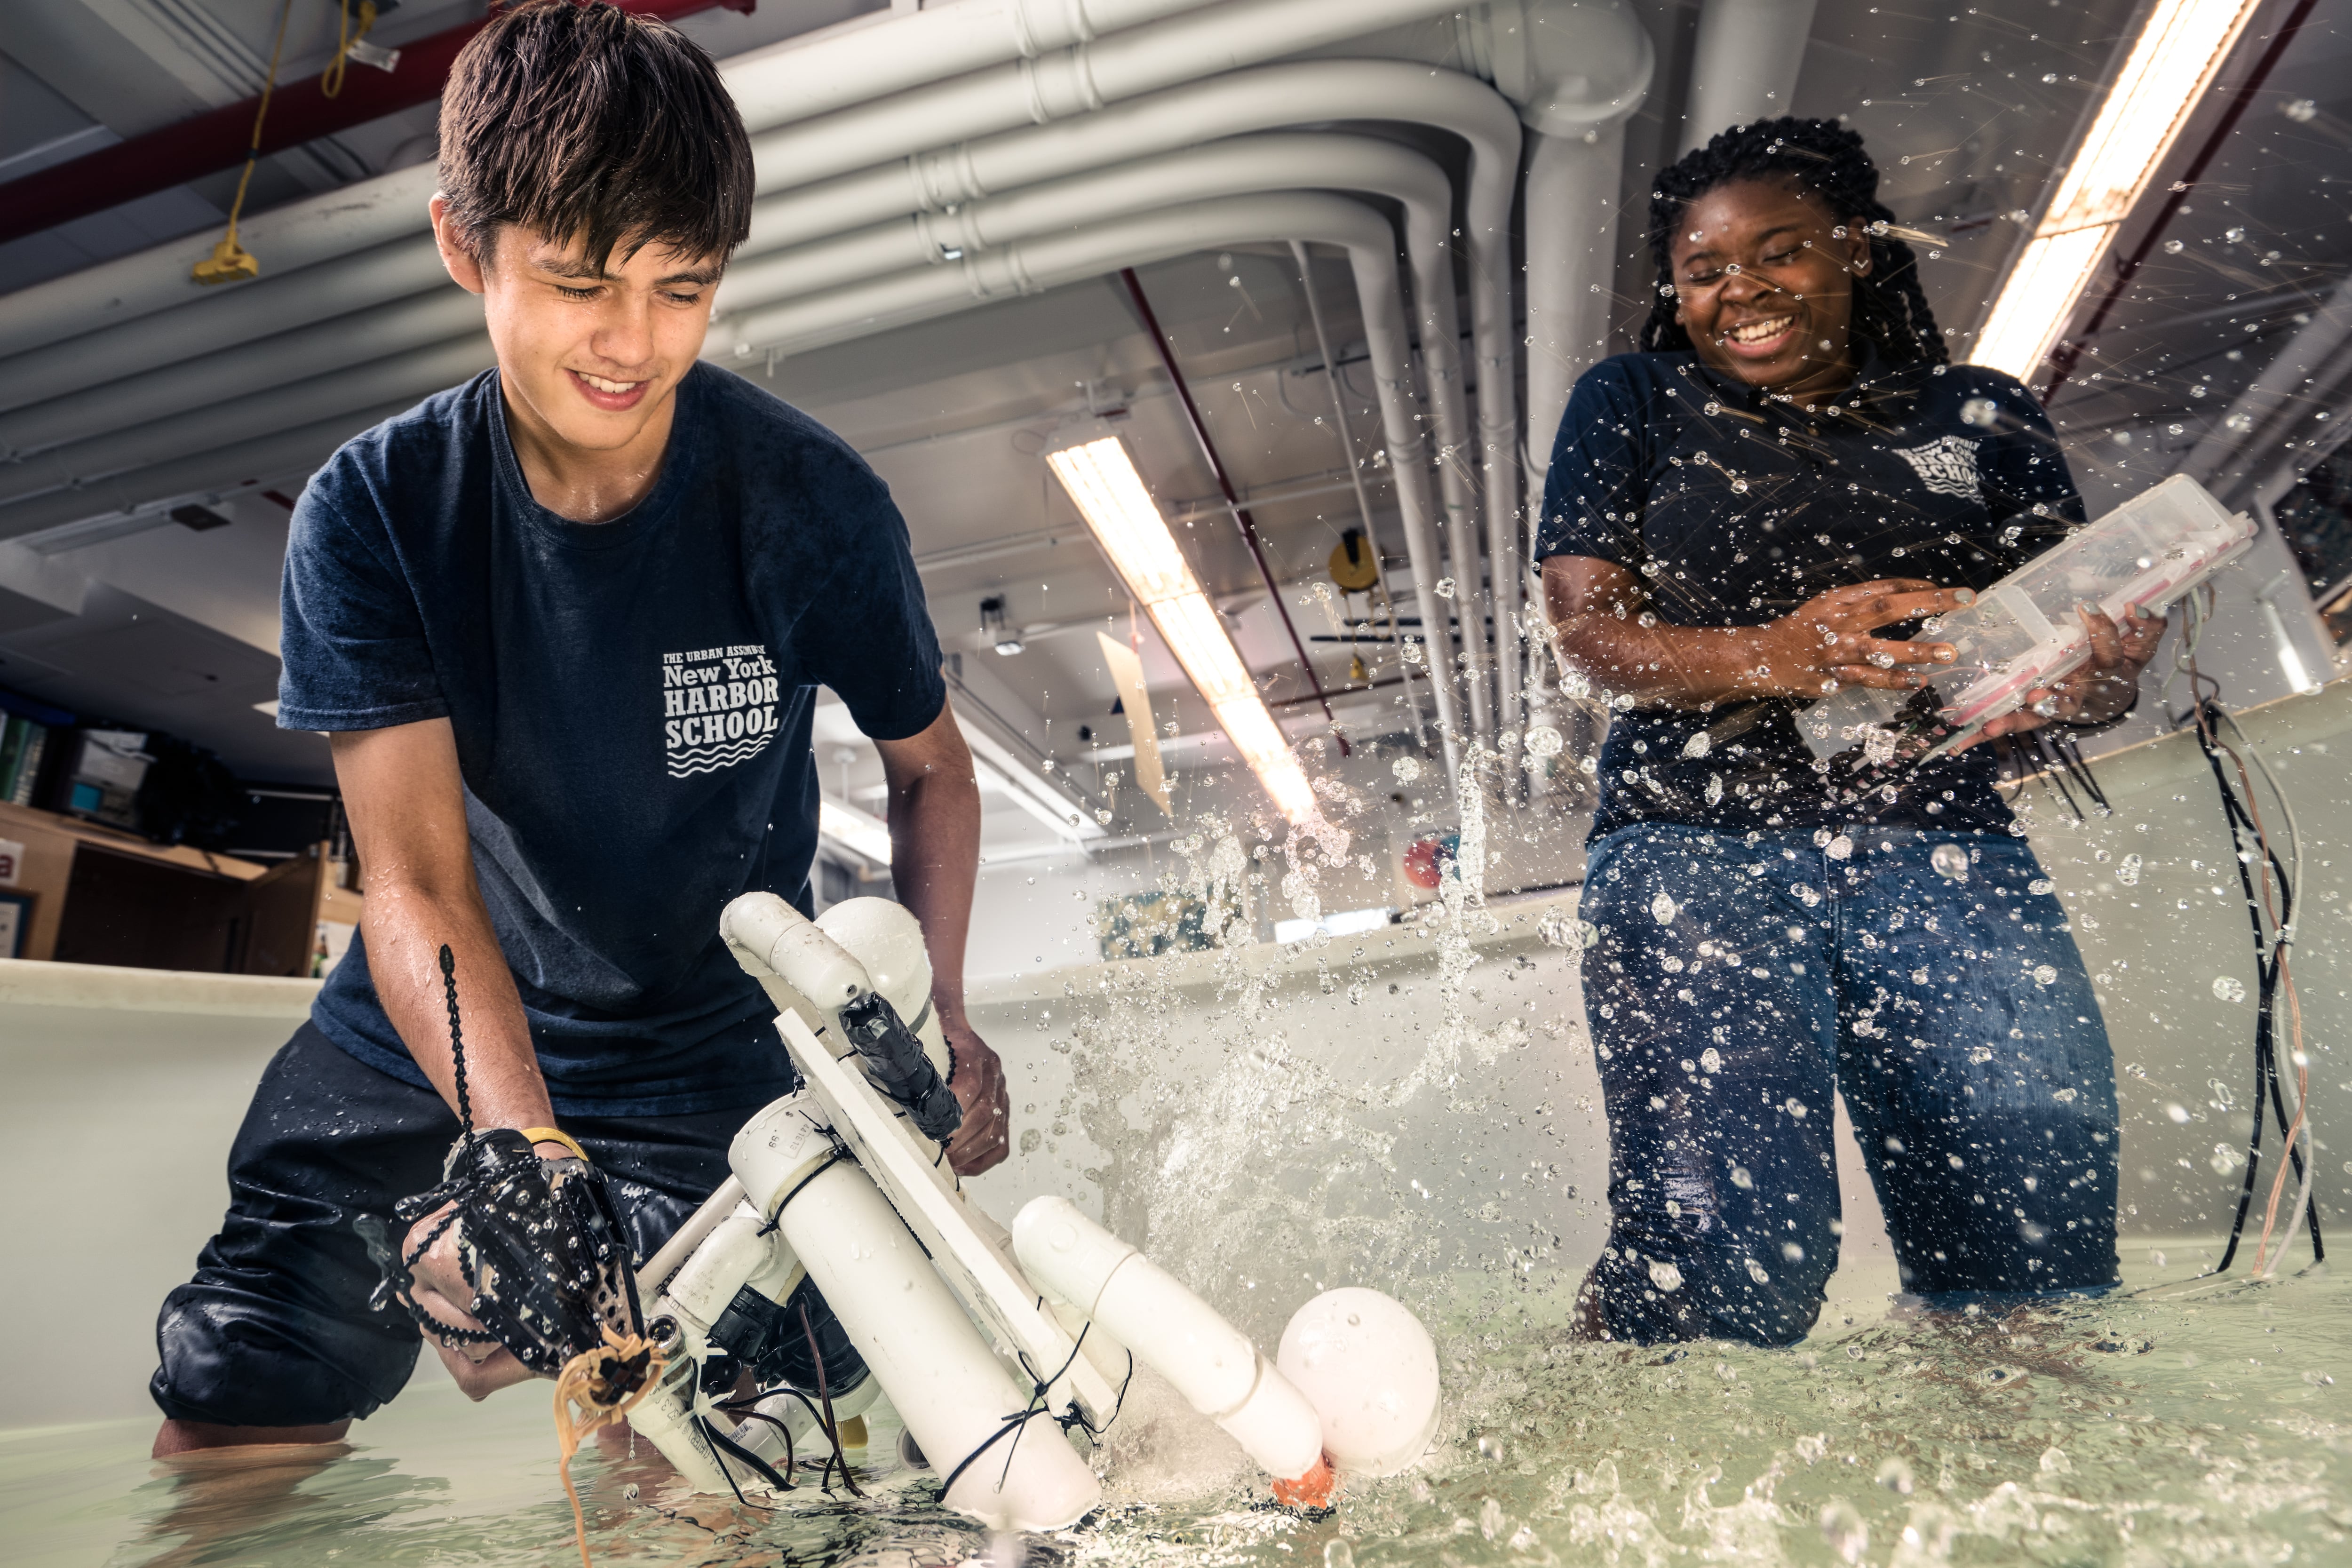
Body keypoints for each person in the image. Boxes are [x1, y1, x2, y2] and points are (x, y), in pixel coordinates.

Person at [151, 0, 1009, 1454]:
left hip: (711, 1041)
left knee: (726, 1451)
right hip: (430, 1025)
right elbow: (413, 882)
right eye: (577, 284)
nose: (632, 344)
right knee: (241, 1392)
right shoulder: (377, 514)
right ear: (459, 243)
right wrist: (518, 1144)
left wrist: (943, 1013)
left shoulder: (810, 506)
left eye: (684, 290)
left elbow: (929, 770)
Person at [1537, 117, 2161, 1345]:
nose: (1739, 291)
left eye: (1779, 253)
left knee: (2036, 1242)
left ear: (1859, 251)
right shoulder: (1634, 401)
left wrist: (2088, 682)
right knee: (1730, 1262)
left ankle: (2015, 1501)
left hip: (1946, 846)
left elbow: (2064, 643)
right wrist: (1778, 656)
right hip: (1693, 849)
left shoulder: (1983, 416)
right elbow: (1589, 634)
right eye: (1706, 270)